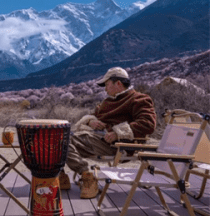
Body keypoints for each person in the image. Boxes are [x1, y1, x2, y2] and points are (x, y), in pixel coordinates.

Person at [60, 67, 156, 199]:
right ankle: (61, 175)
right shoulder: (108, 101)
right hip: (98, 138)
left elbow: (148, 123)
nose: (105, 89)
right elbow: (95, 116)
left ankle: (87, 176)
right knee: (56, 138)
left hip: (117, 145)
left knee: (61, 140)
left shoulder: (138, 99)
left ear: (118, 83)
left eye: (107, 84)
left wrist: (117, 133)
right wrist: (90, 122)